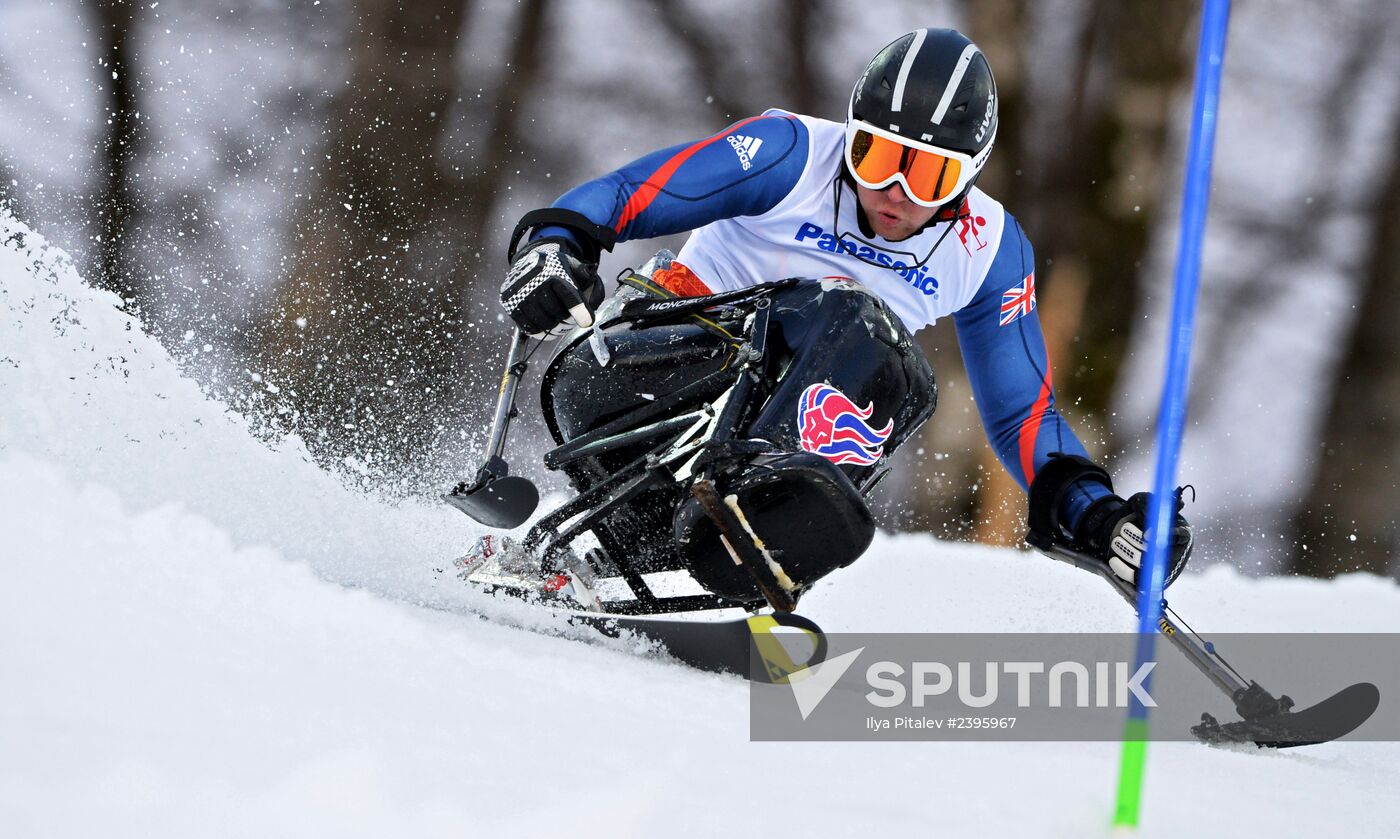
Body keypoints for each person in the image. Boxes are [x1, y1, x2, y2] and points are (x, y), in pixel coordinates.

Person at [485, 27, 1192, 606]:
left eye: (929, 174)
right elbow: (628, 193)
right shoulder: (790, 153)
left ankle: (737, 535)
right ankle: (751, 487)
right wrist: (559, 245)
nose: (893, 192)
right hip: (635, 379)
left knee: (904, 382)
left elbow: (1018, 414)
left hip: (757, 441)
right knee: (852, 314)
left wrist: (1091, 509)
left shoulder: (989, 250)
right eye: (877, 155)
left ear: (968, 178)